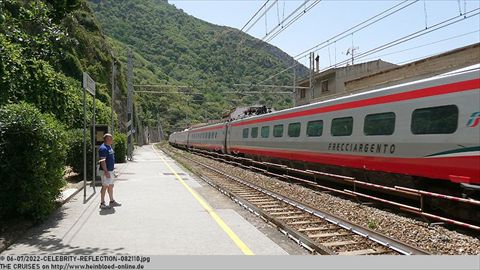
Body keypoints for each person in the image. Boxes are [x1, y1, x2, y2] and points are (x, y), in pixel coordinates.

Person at [98, 133, 121, 209]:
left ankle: (112, 201)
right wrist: (106, 171)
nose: (112, 140)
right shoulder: (103, 148)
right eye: (111, 138)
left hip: (110, 171)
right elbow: (102, 161)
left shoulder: (109, 147)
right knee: (104, 186)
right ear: (107, 139)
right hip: (106, 171)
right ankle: (102, 203)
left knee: (110, 186)